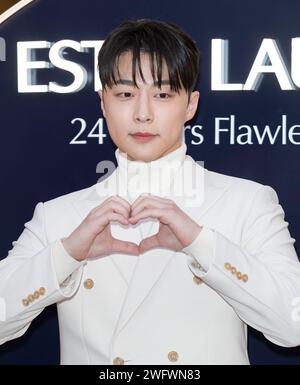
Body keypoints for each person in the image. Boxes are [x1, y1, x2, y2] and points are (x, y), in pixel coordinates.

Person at [1, 18, 300, 365]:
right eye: (126, 94)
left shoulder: (246, 202)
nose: (142, 114)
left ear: (190, 105)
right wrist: (66, 255)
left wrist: (202, 244)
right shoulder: (59, 216)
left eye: (162, 94)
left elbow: (293, 325)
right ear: (103, 103)